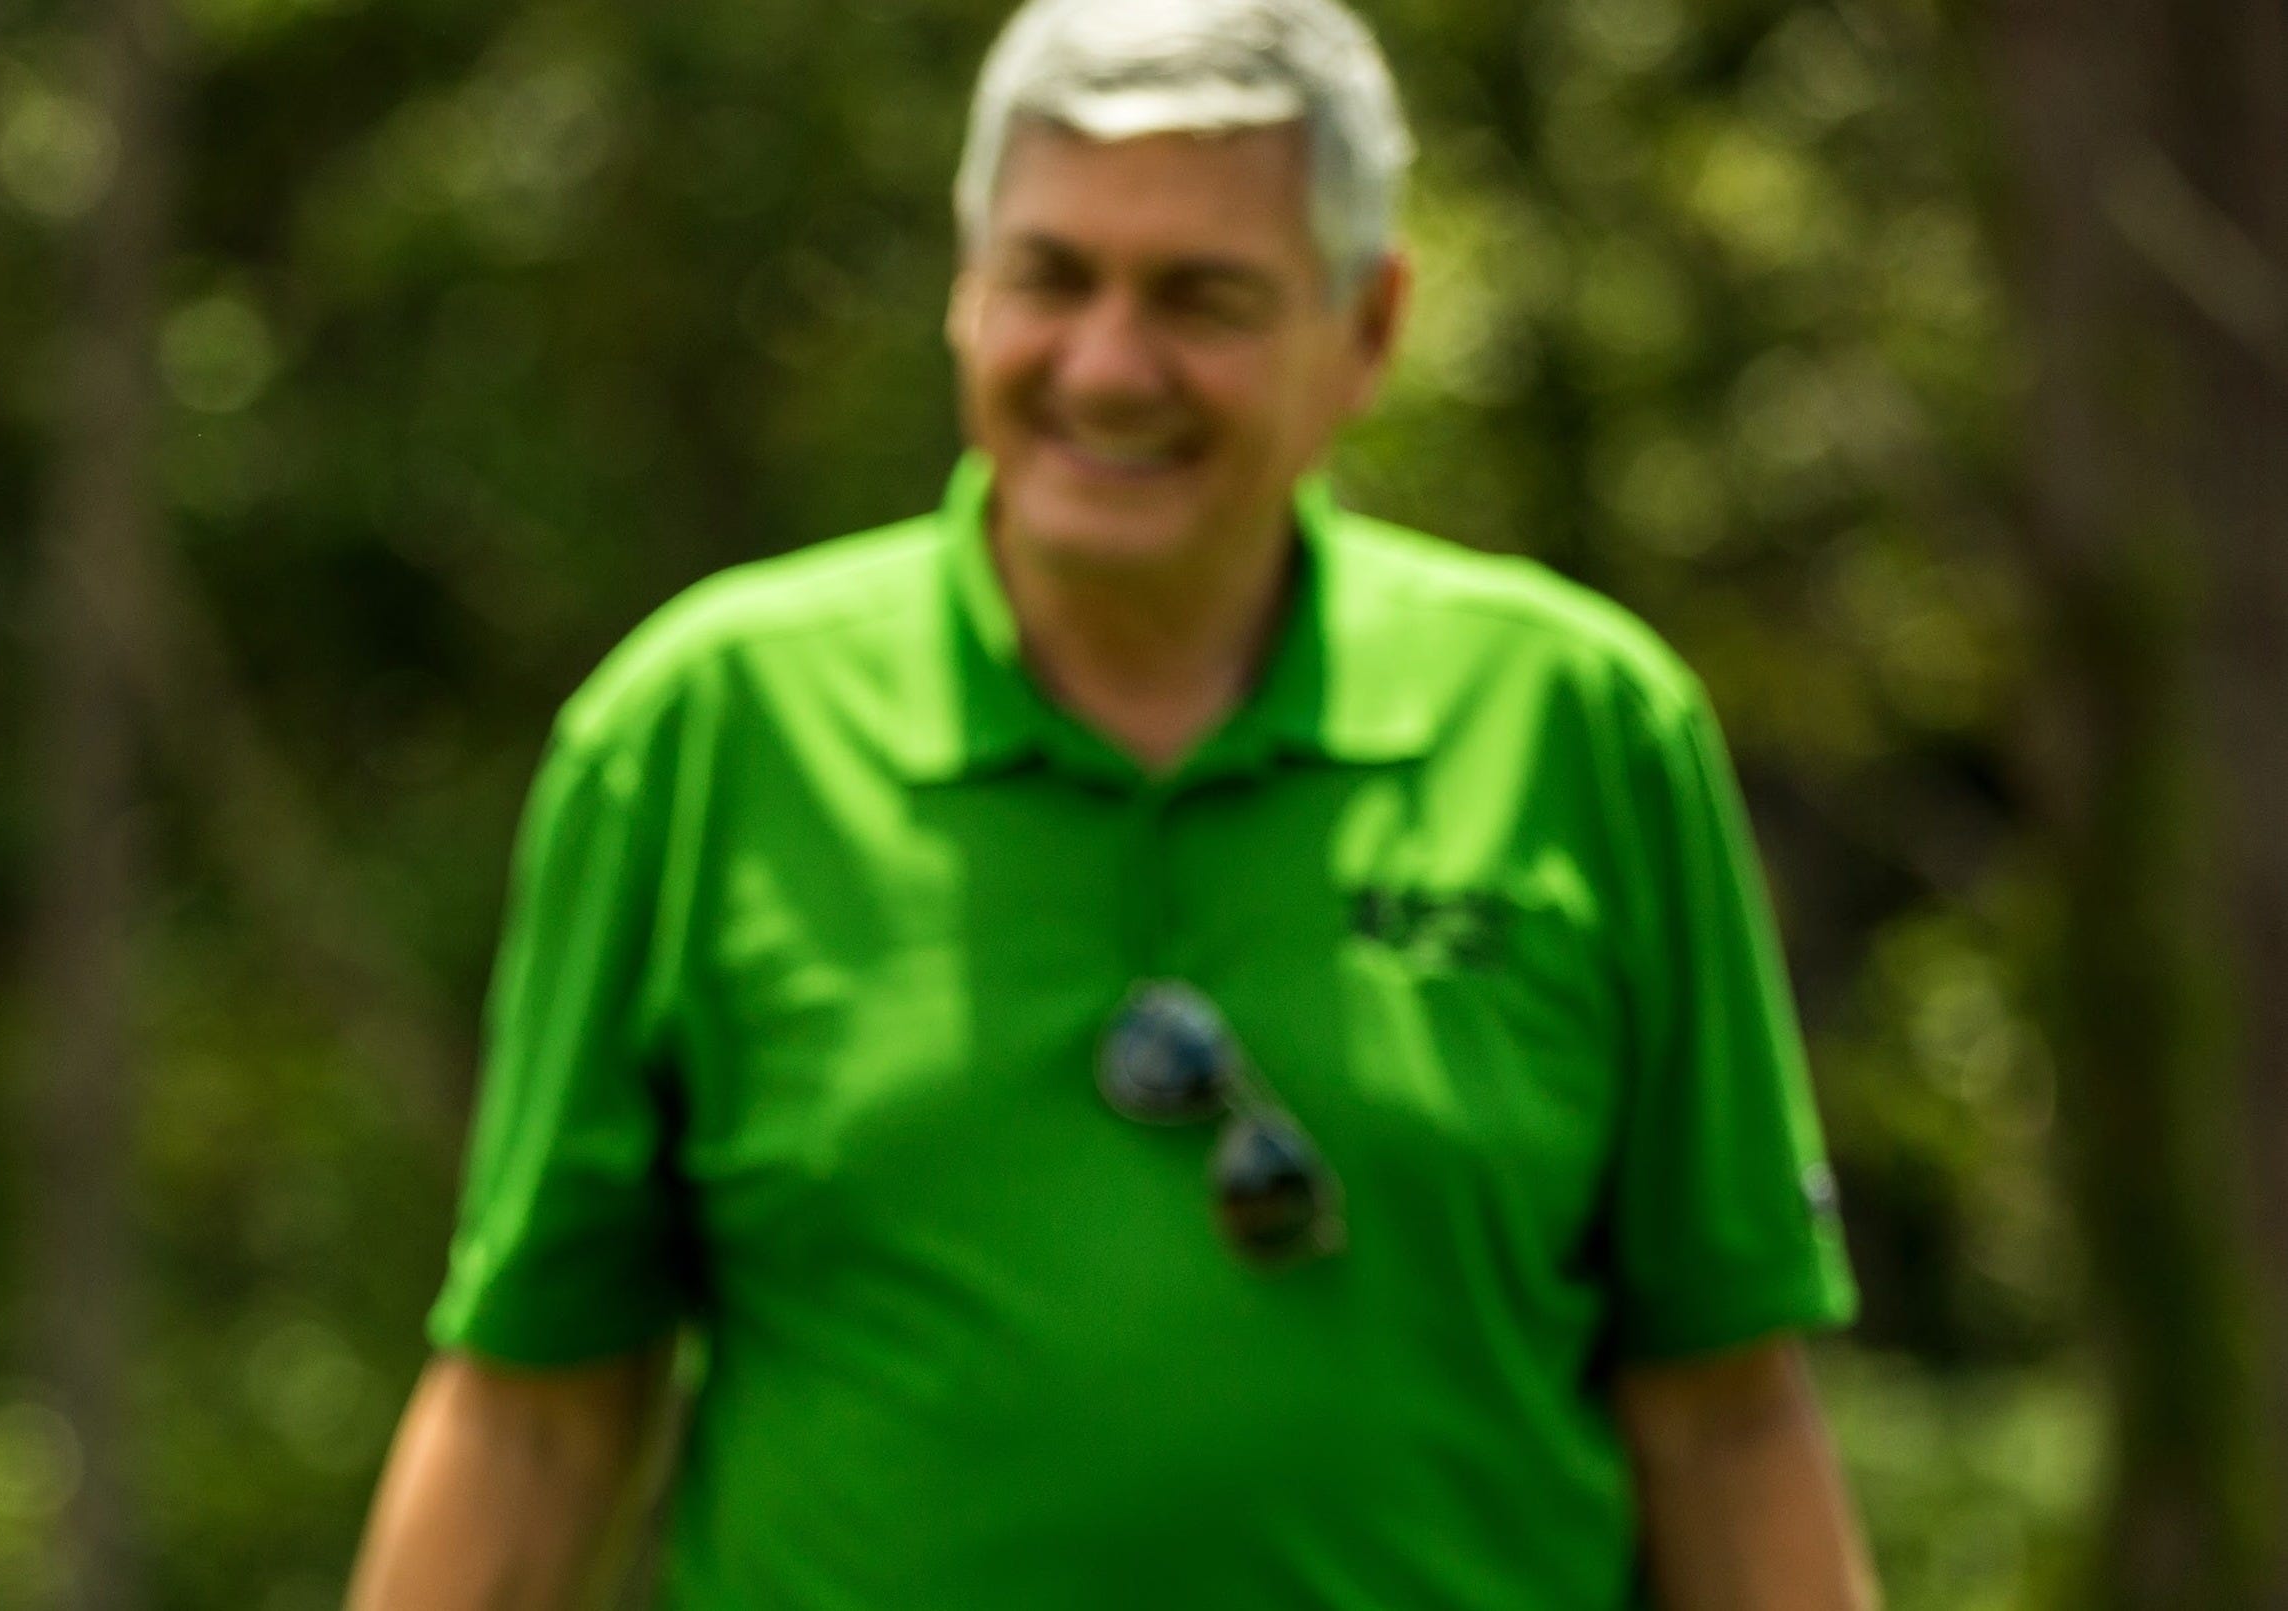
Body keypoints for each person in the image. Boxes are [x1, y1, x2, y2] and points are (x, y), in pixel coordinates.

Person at [343, 0, 1872, 1605]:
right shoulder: (698, 738)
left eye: (1200, 299)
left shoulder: (1582, 728)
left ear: (1367, 327)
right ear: (962, 294)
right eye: (1049, 279)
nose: (1105, 368)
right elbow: (534, 1411)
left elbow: (1723, 1413)